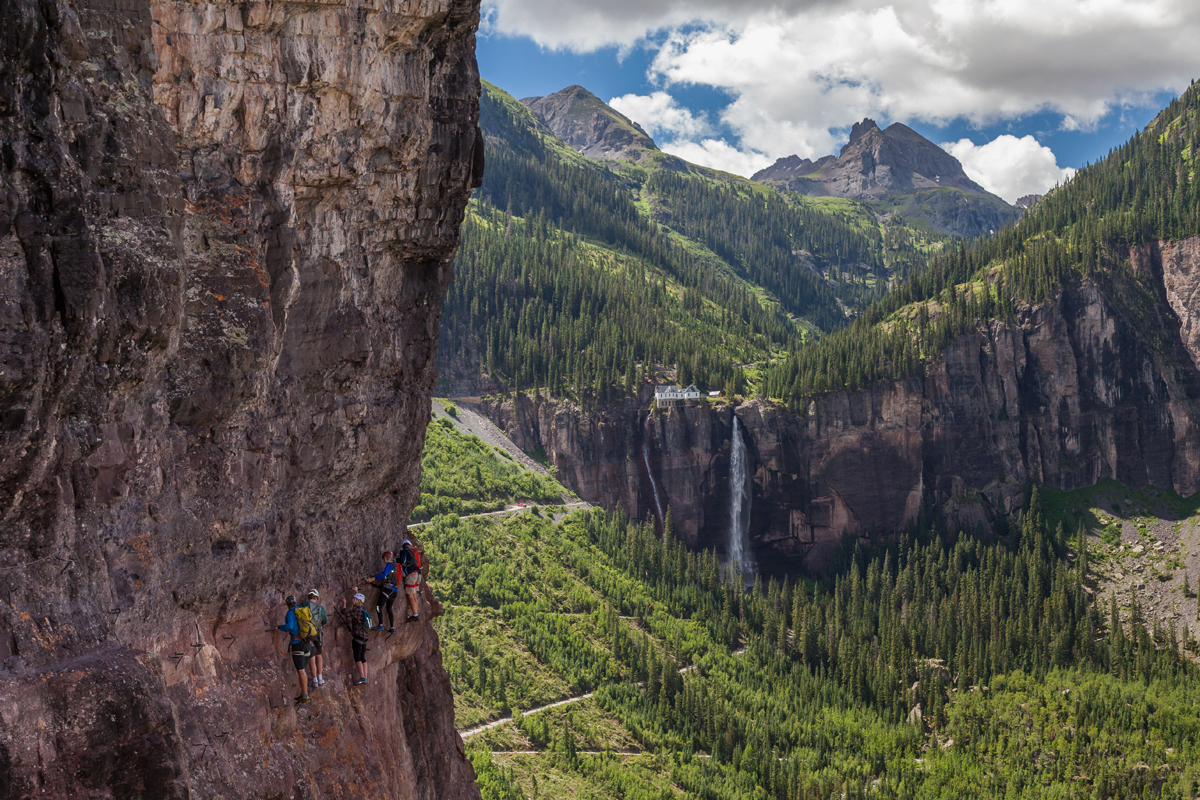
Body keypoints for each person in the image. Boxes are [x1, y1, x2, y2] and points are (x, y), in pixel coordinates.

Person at [278, 595, 311, 705]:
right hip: (307, 643)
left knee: (301, 671)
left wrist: (279, 627)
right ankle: (304, 694)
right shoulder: (302, 611)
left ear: (287, 605)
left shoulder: (290, 613)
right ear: (296, 603)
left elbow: (289, 626)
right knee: (303, 670)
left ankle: (305, 696)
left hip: (298, 644)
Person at [339, 591, 373, 685]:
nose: (352, 600)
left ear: (358, 600)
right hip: (365, 636)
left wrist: (344, 603)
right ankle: (365, 677)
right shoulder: (363, 610)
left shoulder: (356, 610)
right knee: (362, 657)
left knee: (357, 657)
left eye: (354, 599)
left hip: (358, 636)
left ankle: (362, 677)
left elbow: (345, 613)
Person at [364, 551, 398, 633]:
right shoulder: (395, 565)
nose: (383, 561)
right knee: (389, 608)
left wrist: (372, 579)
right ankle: (392, 628)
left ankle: (380, 624)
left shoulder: (390, 565)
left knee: (378, 606)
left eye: (383, 558)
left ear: (387, 558)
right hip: (394, 591)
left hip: (388, 589)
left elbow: (383, 574)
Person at [302, 589, 329, 688]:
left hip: (309, 633)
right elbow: (325, 620)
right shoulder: (320, 607)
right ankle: (320, 678)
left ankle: (314, 680)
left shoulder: (304, 604)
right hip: (319, 633)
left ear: (309, 597)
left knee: (311, 656)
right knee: (318, 654)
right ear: (316, 598)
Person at [397, 539, 423, 623]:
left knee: (410, 596)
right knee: (414, 595)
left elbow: (402, 561)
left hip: (411, 574)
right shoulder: (413, 551)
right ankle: (416, 613)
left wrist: (396, 560)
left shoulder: (404, 551)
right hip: (418, 574)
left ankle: (415, 615)